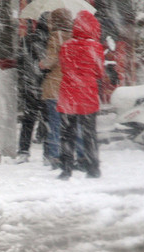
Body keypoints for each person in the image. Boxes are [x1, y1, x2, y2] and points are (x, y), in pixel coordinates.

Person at [57, 10, 106, 179]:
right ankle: (93, 168)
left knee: (67, 134)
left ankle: (66, 169)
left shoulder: (66, 46)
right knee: (89, 133)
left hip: (68, 96)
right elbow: (99, 72)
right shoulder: (96, 47)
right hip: (87, 96)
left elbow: (64, 68)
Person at [39, 8, 73, 169]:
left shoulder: (55, 36)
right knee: (69, 125)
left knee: (54, 124)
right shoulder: (74, 36)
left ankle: (54, 155)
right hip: (69, 86)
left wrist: (43, 63)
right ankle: (70, 154)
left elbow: (51, 60)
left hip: (54, 86)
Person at [16, 14, 50, 163]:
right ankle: (48, 153)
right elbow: (47, 66)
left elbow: (20, 63)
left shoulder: (26, 40)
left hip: (29, 86)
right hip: (46, 86)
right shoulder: (52, 42)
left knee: (28, 120)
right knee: (48, 119)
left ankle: (23, 151)